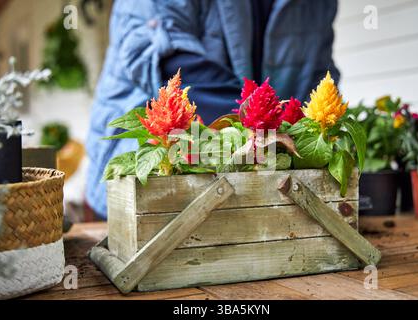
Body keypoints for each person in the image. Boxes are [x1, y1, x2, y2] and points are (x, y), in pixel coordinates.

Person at [86, 0, 340, 219]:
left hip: (262, 191)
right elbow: (164, 55)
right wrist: (259, 130)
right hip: (150, 183)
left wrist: (295, 139)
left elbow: (319, 77)